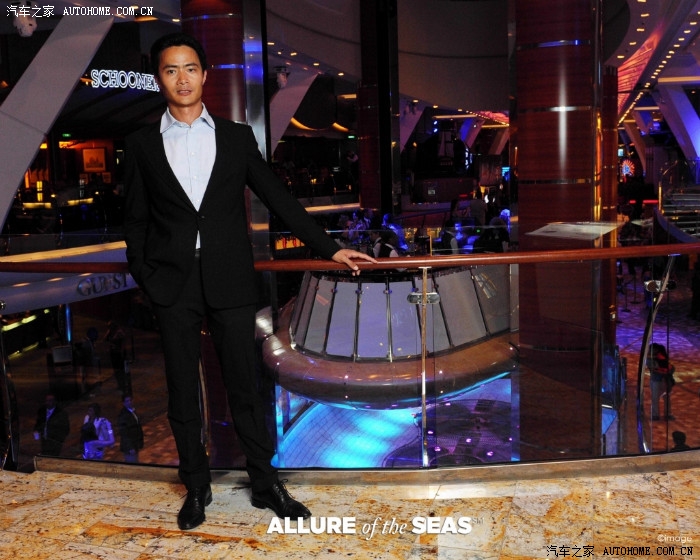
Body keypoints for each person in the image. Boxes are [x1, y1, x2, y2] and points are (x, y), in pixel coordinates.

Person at [123, 32, 376, 531]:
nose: (182, 79)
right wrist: (148, 278)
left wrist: (328, 247)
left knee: (245, 387)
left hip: (231, 282)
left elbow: (277, 197)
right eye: (171, 70)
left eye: (190, 68)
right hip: (172, 286)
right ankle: (196, 487)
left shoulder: (236, 137)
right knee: (182, 394)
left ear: (204, 74)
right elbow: (134, 220)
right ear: (159, 79)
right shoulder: (140, 144)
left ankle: (265, 483)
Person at [648, 343, 675, 421]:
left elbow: (671, 368)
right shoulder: (650, 359)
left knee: (667, 398)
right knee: (655, 398)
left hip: (664, 380)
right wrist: (665, 370)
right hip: (656, 380)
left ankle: (668, 414)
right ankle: (655, 415)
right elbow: (654, 368)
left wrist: (667, 370)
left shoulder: (662, 357)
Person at [118, 394, 144, 463]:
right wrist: (130, 447)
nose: (129, 402)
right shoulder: (123, 415)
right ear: (123, 403)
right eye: (127, 401)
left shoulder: (132, 411)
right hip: (129, 447)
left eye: (130, 400)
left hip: (135, 443)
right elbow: (124, 433)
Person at [104, 321, 127, 395]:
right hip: (113, 353)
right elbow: (105, 339)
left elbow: (122, 343)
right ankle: (119, 384)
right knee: (116, 370)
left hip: (119, 354)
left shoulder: (119, 333)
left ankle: (123, 384)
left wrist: (122, 352)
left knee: (120, 369)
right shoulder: (111, 332)